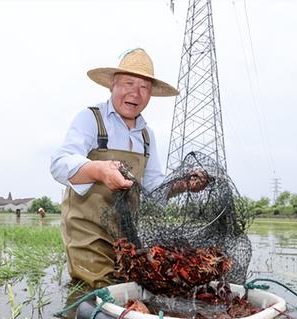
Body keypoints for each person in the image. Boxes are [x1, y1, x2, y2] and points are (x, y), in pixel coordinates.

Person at [50, 48, 204, 288]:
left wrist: (184, 184)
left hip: (126, 236)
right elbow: (59, 164)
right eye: (128, 83)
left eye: (144, 87)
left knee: (133, 289)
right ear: (113, 85)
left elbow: (153, 187)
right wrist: (100, 170)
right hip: (87, 232)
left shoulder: (146, 135)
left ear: (151, 93)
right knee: (96, 291)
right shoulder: (91, 118)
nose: (135, 93)